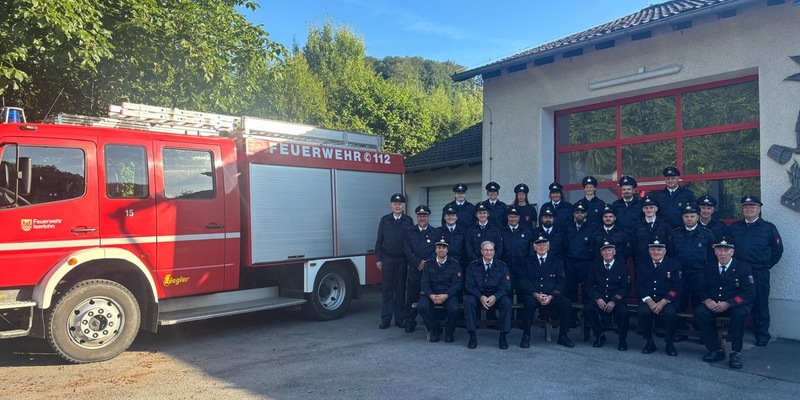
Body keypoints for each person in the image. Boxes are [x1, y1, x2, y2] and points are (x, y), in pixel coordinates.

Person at [728, 195, 783, 346]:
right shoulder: (735, 227)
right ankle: (734, 333)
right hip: (738, 273)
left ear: (759, 210)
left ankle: (762, 335)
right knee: (736, 303)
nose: (749, 209)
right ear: (742, 209)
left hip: (759, 272)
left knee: (760, 304)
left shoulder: (768, 228)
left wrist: (766, 265)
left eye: (752, 207)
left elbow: (777, 251)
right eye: (746, 207)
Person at [694, 236, 755, 369]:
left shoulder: (743, 268)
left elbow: (749, 293)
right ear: (715, 251)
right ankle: (715, 349)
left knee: (739, 315)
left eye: (726, 250)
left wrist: (729, 303)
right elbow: (701, 288)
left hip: (735, 305)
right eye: (720, 250)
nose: (723, 254)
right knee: (700, 312)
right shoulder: (709, 268)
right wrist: (707, 300)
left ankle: (735, 352)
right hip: (714, 304)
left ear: (732, 252)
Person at [518, 235, 575, 348]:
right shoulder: (527, 261)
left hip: (551, 295)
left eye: (544, 245)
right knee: (529, 304)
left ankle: (563, 336)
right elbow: (523, 281)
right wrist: (535, 294)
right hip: (533, 294)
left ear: (548, 247)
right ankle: (526, 335)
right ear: (534, 247)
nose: (541, 247)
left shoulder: (557, 261)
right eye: (539, 245)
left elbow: (560, 282)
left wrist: (551, 296)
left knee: (566, 304)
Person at [669, 203, 715, 338]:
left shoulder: (706, 234)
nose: (689, 219)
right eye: (686, 216)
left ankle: (701, 331)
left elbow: (711, 257)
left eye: (692, 216)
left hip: (699, 274)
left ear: (697, 217)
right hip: (680, 274)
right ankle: (680, 330)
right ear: (682, 218)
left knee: (699, 304)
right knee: (679, 302)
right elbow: (671, 254)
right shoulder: (675, 233)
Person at [635, 236, 682, 356]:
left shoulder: (673, 264)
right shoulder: (642, 263)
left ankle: (669, 343)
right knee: (643, 312)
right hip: (649, 299)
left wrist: (664, 301)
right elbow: (639, 284)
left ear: (664, 251)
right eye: (653, 249)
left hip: (667, 300)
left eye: (659, 250)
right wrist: (649, 301)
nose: (656, 252)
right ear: (649, 250)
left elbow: (677, 287)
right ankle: (649, 341)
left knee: (669, 314)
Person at [375, 193, 414, 329]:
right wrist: (379, 260)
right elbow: (379, 241)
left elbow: (410, 242)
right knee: (387, 290)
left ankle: (399, 319)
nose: (398, 206)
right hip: (387, 258)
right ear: (391, 205)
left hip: (402, 259)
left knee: (400, 289)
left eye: (400, 204)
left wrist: (410, 260)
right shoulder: (385, 220)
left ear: (403, 206)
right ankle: (386, 319)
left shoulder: (408, 221)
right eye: (395, 204)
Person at [464, 241, 513, 349]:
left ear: (494, 252)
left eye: (491, 250)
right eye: (486, 250)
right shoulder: (473, 265)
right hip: (478, 295)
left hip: (496, 295)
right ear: (481, 251)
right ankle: (472, 336)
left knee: (507, 302)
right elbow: (469, 285)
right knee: (469, 301)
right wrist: (480, 296)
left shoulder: (502, 266)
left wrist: (495, 297)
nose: (489, 252)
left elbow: (506, 286)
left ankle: (503, 336)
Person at [584, 240, 631, 351]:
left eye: (609, 250)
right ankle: (599, 335)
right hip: (599, 299)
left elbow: (626, 287)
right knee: (588, 309)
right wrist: (597, 298)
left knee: (623, 313)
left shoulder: (622, 267)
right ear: (601, 253)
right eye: (604, 251)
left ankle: (622, 339)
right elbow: (589, 285)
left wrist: (614, 300)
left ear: (614, 252)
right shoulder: (594, 266)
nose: (607, 253)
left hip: (615, 300)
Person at [417, 238, 463, 343]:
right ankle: (435, 329)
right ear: (435, 250)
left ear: (447, 250)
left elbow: (457, 284)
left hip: (448, 294)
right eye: (439, 248)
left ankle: (449, 332)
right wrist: (431, 295)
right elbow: (424, 283)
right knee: (421, 306)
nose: (441, 250)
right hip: (431, 294)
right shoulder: (429, 263)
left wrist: (446, 295)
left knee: (454, 308)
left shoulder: (454, 264)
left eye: (443, 248)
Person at [402, 205, 438, 333]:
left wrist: (426, 263)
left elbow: (437, 250)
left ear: (428, 217)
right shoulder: (409, 231)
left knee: (430, 294)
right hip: (414, 268)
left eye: (425, 216)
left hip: (430, 270)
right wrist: (418, 262)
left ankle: (432, 320)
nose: (422, 218)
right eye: (420, 216)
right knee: (412, 295)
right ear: (417, 217)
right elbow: (407, 250)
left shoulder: (435, 232)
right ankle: (410, 322)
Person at [563, 201, 595, 319]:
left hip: (586, 262)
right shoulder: (568, 228)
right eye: (577, 212)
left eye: (582, 212)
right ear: (573, 214)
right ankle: (572, 317)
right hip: (571, 262)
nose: (579, 214)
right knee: (570, 289)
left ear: (586, 214)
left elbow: (593, 247)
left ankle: (587, 318)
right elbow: (565, 245)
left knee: (587, 290)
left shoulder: (591, 228)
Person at [630, 196, 672, 270]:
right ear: (643, 210)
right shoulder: (636, 227)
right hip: (642, 263)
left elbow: (669, 246)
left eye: (651, 207)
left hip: (661, 264)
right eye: (646, 208)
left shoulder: (665, 226)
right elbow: (634, 247)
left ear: (656, 209)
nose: (649, 210)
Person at [500, 206, 533, 295]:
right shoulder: (502, 232)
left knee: (523, 296)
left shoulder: (526, 232)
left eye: (515, 217)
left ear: (519, 218)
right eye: (511, 217)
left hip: (522, 270)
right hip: (507, 270)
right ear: (507, 217)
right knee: (507, 296)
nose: (513, 219)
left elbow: (531, 252)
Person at [439, 205, 467, 273]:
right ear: (445, 217)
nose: (451, 217)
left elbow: (466, 249)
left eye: (453, 215)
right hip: (443, 266)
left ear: (456, 217)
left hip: (460, 265)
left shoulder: (464, 232)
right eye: (448, 215)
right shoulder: (438, 231)